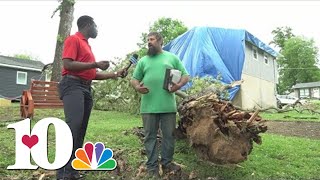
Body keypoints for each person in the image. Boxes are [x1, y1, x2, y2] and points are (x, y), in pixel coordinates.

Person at [57, 15, 127, 180]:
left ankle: (72, 170)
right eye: (95, 25)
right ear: (88, 25)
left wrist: (115, 74)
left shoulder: (86, 46)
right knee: (73, 128)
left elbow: (91, 74)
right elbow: (67, 64)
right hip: (73, 86)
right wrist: (95, 64)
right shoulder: (73, 39)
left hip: (85, 88)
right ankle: (62, 173)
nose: (97, 28)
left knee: (80, 130)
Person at [130, 32, 190, 178]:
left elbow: (185, 75)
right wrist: (137, 87)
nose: (149, 42)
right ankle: (152, 167)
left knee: (169, 136)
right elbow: (134, 79)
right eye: (147, 40)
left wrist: (178, 86)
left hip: (168, 107)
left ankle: (167, 163)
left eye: (152, 39)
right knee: (150, 136)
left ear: (160, 41)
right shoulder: (143, 60)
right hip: (148, 107)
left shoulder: (171, 58)